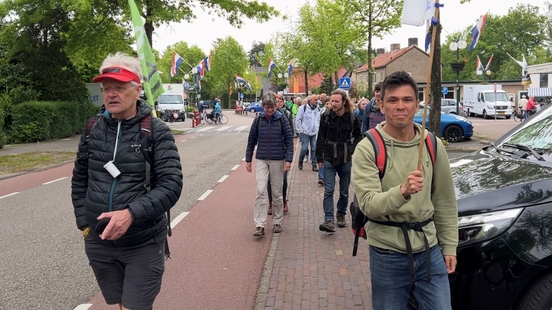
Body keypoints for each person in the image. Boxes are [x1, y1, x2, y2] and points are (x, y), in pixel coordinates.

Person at [71, 52, 183, 310]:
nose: (111, 94)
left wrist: (131, 214)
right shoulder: (92, 129)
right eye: (106, 88)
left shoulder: (156, 131)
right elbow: (79, 180)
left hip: (142, 242)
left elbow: (171, 185)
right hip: (100, 242)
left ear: (137, 89)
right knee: (121, 304)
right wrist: (84, 225)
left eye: (119, 88)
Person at [352, 71, 458, 309]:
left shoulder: (432, 144)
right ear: (380, 104)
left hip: (429, 250)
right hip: (387, 254)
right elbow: (369, 204)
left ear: (417, 103)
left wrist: (449, 246)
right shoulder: (368, 148)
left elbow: (445, 201)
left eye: (407, 99)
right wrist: (402, 191)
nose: (401, 106)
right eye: (393, 100)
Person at [245, 92, 293, 236]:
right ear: (263, 107)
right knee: (260, 190)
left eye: (272, 107)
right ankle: (259, 224)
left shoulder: (282, 119)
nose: (270, 110)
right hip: (261, 158)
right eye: (267, 107)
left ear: (275, 106)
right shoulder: (258, 120)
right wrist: (248, 159)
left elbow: (289, 140)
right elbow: (251, 139)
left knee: (277, 193)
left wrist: (288, 160)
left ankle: (277, 221)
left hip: (278, 159)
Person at [316, 89, 362, 232]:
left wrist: (352, 149)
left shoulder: (352, 118)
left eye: (336, 101)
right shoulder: (326, 117)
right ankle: (329, 220)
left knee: (344, 191)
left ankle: (341, 213)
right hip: (329, 157)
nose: (333, 104)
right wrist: (319, 157)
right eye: (332, 101)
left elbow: (359, 136)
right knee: (329, 190)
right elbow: (320, 137)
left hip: (345, 158)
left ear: (344, 102)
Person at [267, 94, 294, 215]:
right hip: (270, 153)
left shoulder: (286, 115)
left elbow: (290, 134)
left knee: (282, 178)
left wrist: (289, 153)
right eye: (276, 101)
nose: (278, 103)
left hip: (282, 152)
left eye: (280, 101)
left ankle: (283, 200)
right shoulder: (266, 117)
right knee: (269, 179)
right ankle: (271, 202)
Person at [296, 95, 322, 171]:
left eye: (317, 100)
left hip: (314, 132)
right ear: (310, 100)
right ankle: (300, 161)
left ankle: (314, 164)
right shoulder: (303, 108)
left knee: (314, 148)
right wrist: (300, 130)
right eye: (315, 100)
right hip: (305, 132)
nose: (317, 101)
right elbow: (298, 119)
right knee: (304, 148)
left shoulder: (318, 109)